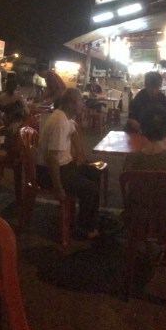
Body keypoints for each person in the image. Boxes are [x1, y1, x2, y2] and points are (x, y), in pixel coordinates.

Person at [36, 88, 102, 239]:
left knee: (95, 172)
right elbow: (51, 157)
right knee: (90, 189)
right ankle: (84, 228)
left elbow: (74, 132)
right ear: (71, 104)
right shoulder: (60, 122)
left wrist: (81, 156)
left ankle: (90, 220)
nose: (83, 104)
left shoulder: (65, 116)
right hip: (49, 172)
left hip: (64, 166)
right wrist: (58, 187)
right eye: (80, 101)